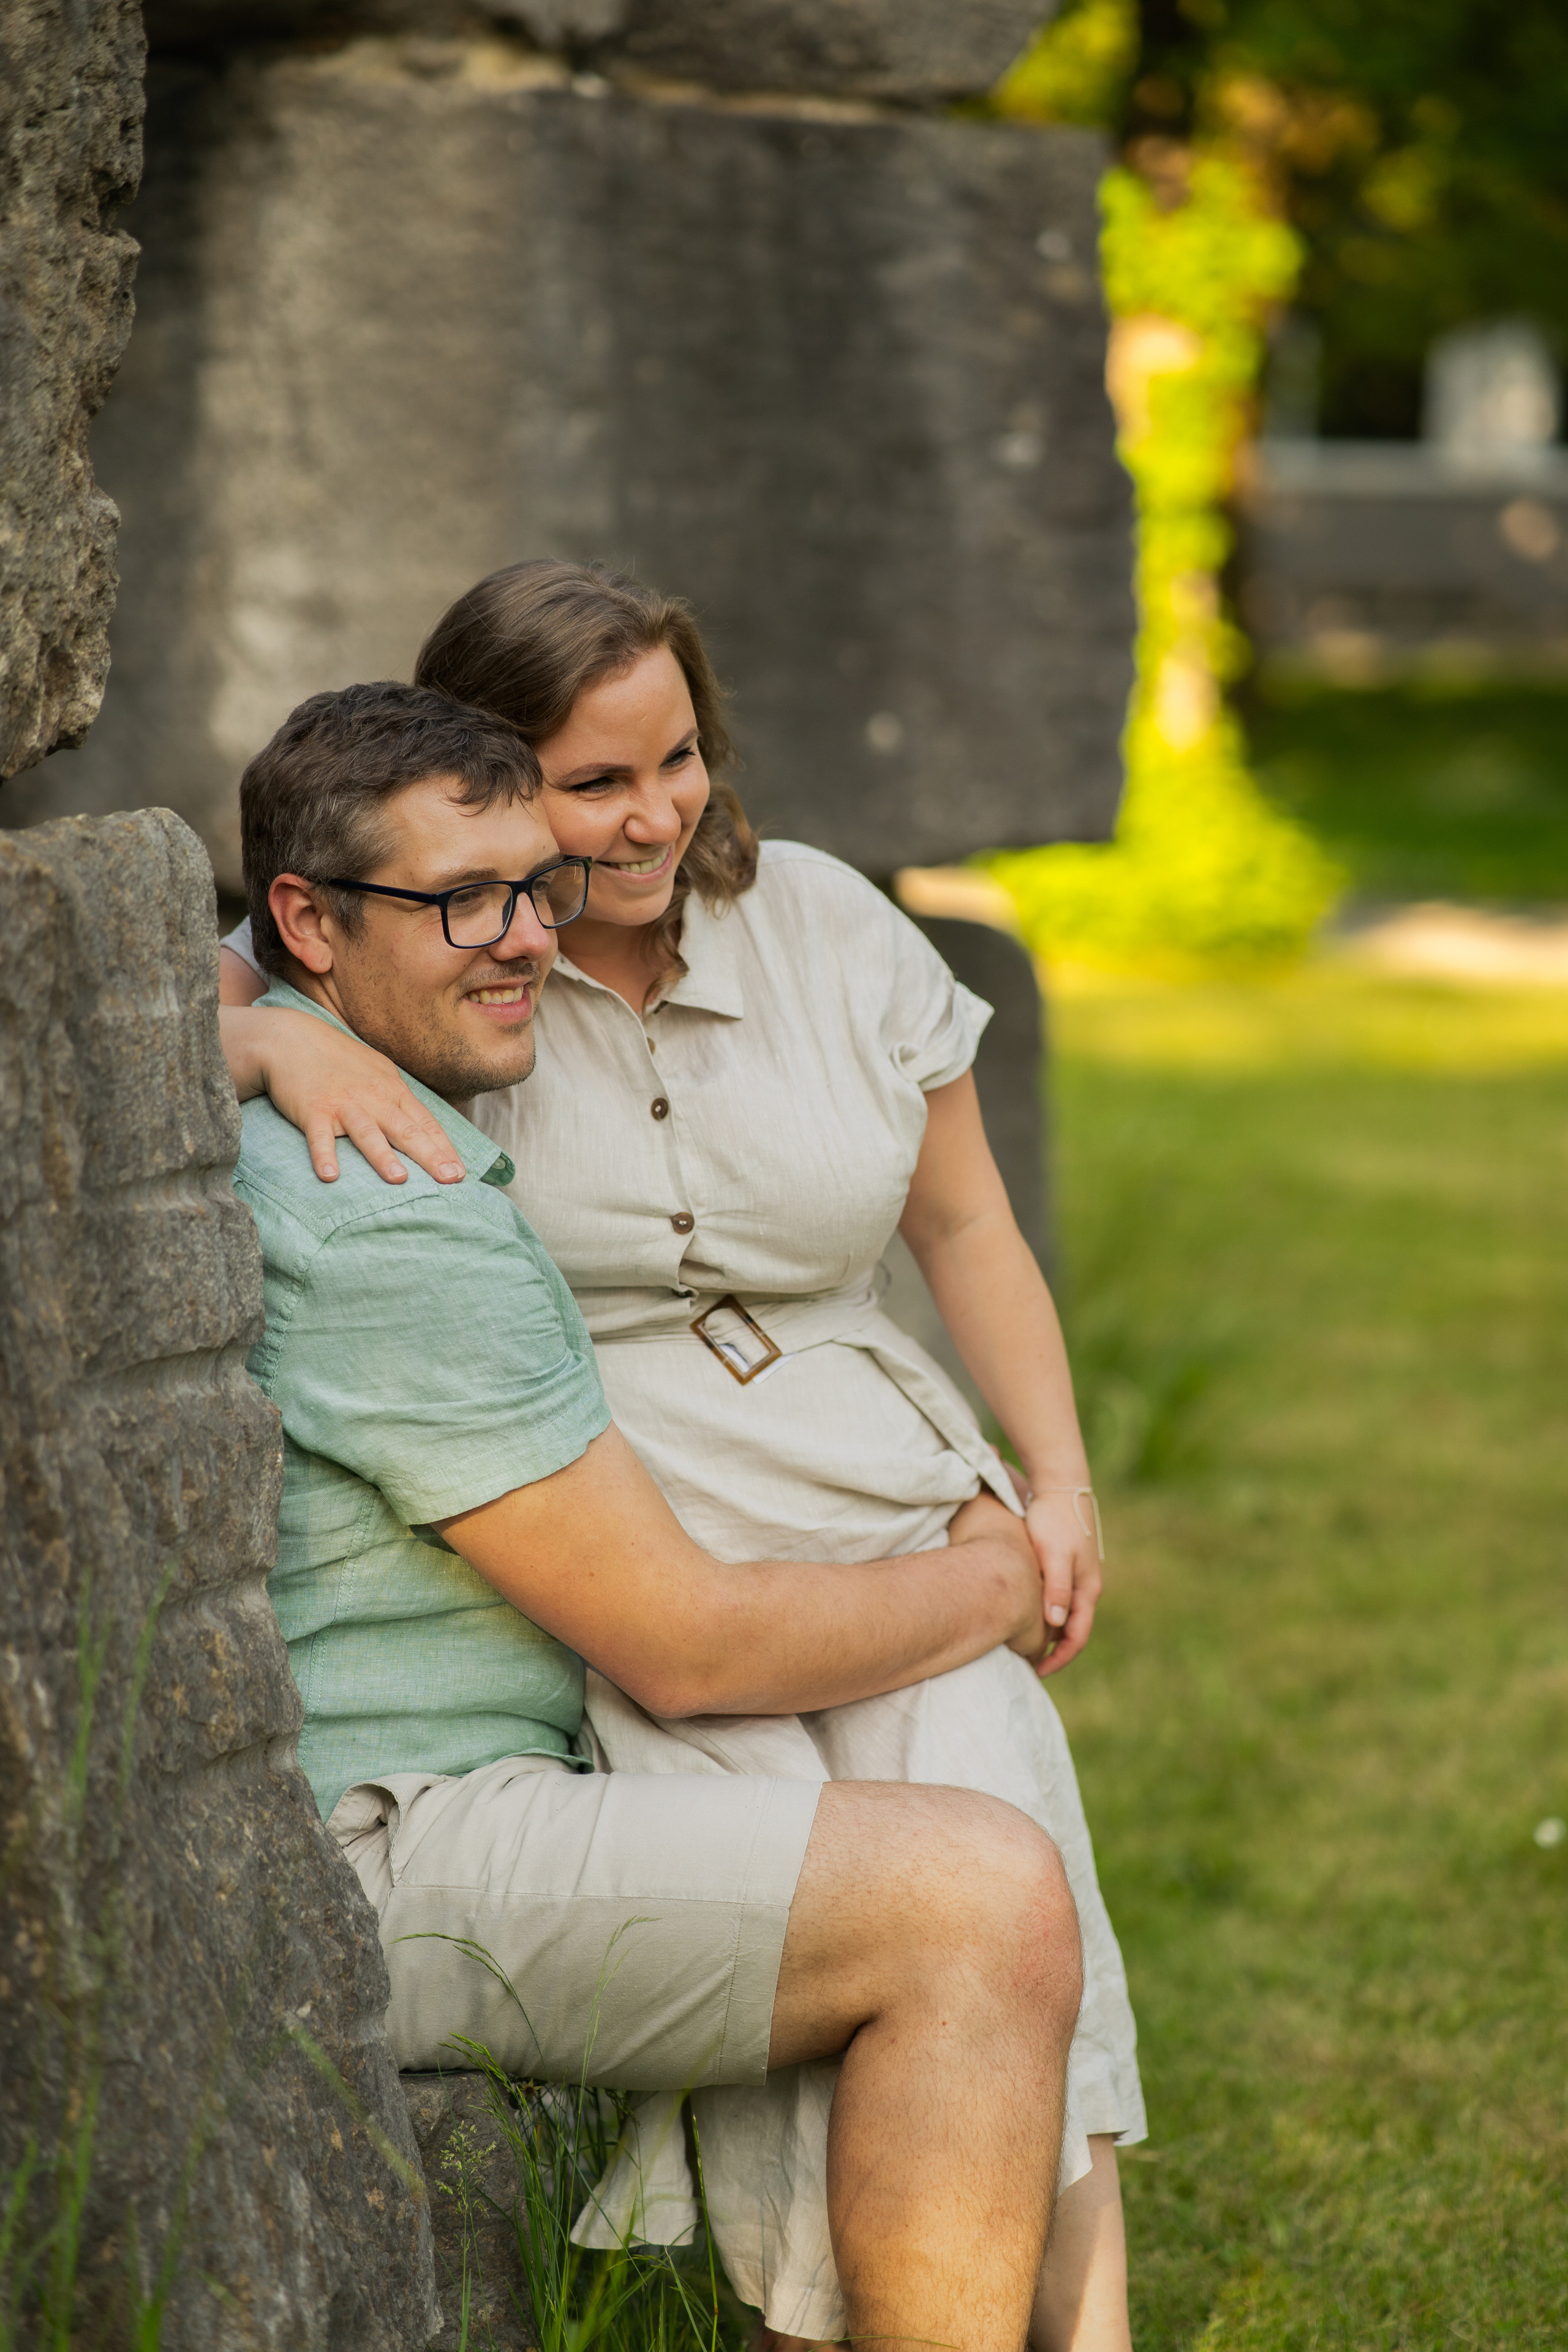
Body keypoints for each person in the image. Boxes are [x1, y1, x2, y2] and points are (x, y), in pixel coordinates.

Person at [221, 568, 1145, 2352]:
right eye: (468, 895)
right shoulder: (399, 1187)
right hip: (428, 1804)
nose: (520, 932)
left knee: (980, 1823)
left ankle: (1084, 2322)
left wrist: (1041, 1486)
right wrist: (990, 1567)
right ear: (315, 926)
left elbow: (965, 1227)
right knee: (967, 1897)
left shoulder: (759, 940)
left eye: (526, 892)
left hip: (749, 1562)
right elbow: (690, 1647)